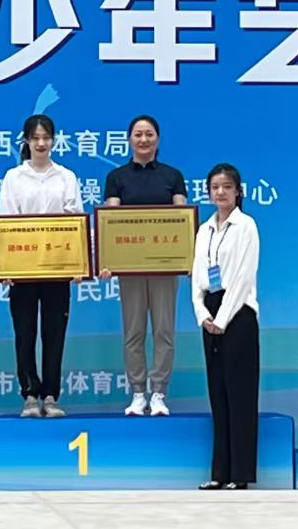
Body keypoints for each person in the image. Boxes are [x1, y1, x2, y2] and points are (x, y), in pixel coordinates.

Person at [98, 114, 187, 416]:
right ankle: (138, 392)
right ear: (129, 139)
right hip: (131, 268)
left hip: (164, 268)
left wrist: (185, 258)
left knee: (164, 331)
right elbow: (111, 223)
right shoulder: (117, 177)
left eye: (149, 134)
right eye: (138, 134)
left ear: (158, 139)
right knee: (134, 332)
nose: (143, 139)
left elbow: (181, 220)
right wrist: (109, 260)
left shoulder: (173, 176)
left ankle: (159, 392)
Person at [0, 113, 84, 419]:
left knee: (54, 332)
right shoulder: (14, 177)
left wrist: (78, 263)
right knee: (24, 332)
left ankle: (50, 395)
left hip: (57, 267)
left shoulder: (66, 176)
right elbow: (6, 222)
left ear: (54, 141)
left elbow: (75, 220)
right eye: (35, 138)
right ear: (26, 141)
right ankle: (29, 395)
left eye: (46, 138)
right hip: (23, 267)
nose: (41, 143)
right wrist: (6, 266)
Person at [192, 163, 260, 491]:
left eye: (227, 187)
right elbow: (197, 276)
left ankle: (240, 474)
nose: (220, 192)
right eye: (215, 187)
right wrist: (202, 314)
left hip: (238, 315)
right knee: (218, 395)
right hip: (211, 312)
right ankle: (220, 472)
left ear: (238, 192)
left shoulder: (246, 226)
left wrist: (222, 319)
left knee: (240, 395)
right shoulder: (204, 229)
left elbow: (243, 277)